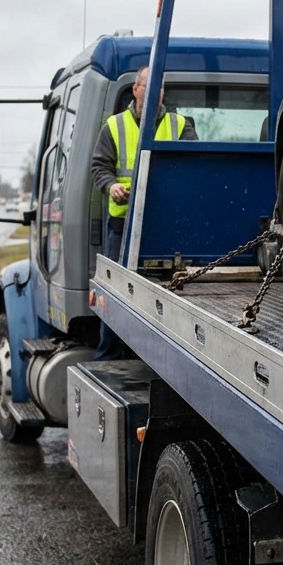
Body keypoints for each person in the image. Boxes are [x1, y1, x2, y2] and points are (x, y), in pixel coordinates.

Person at [90, 65, 198, 360]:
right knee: (114, 291)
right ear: (135, 89)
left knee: (169, 293)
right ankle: (108, 355)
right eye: (149, 86)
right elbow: (99, 167)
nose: (155, 92)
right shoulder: (114, 126)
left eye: (160, 87)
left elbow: (194, 165)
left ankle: (164, 356)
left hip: (167, 226)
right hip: (123, 225)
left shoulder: (180, 125)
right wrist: (111, 186)